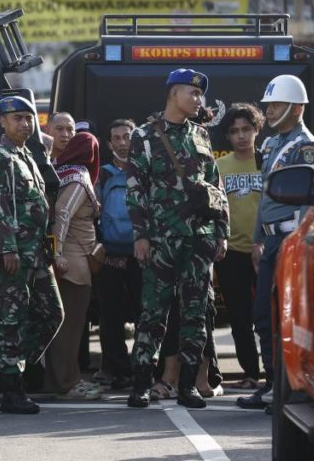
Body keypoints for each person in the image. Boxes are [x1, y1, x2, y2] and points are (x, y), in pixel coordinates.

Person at [126, 68, 228, 409]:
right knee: (153, 312)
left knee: (196, 312)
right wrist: (140, 235)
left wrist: (221, 233)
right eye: (193, 94)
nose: (198, 100)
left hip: (198, 237)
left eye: (200, 95)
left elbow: (216, 187)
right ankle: (142, 382)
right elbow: (135, 188)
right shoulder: (144, 135)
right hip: (160, 239)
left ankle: (188, 385)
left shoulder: (201, 135)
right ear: (173, 94)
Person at [236, 75, 314, 410]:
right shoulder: (272, 144)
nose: (269, 111)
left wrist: (298, 246)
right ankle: (274, 380)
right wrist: (258, 241)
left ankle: (291, 385)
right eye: (269, 104)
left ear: (297, 108)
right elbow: (266, 198)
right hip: (271, 242)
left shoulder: (305, 148)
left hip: (292, 239)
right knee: (263, 315)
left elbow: (307, 201)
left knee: (287, 318)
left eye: (275, 105)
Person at [0, 95, 65, 414]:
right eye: (17, 118)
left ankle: (8, 373)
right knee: (10, 321)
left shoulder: (26, 155)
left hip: (35, 253)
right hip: (12, 254)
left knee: (52, 313)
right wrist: (8, 248)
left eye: (28, 118)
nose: (24, 123)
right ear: (2, 122)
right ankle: (12, 390)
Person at [43, 131, 103, 399]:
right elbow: (63, 214)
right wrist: (55, 254)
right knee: (70, 329)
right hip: (74, 264)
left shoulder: (61, 171)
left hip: (71, 259)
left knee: (64, 328)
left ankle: (58, 380)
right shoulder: (79, 177)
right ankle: (68, 382)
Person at [213, 104, 264, 390]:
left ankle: (273, 371)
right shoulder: (220, 167)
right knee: (239, 316)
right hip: (232, 252)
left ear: (256, 130)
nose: (241, 136)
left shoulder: (269, 162)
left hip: (266, 251)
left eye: (247, 129)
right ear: (228, 137)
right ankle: (250, 373)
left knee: (269, 316)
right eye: (234, 131)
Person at [93, 119, 142, 390]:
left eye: (127, 137)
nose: (123, 142)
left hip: (141, 253)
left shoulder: (145, 170)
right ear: (110, 144)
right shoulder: (102, 174)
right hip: (110, 253)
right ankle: (117, 369)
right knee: (110, 316)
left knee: (144, 313)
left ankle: (143, 365)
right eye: (117, 138)